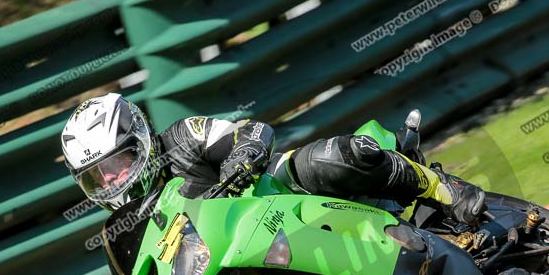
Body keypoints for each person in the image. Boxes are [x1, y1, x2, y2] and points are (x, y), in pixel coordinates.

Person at [60, 93, 486, 224]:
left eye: (116, 163)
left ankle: (442, 187)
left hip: (273, 199)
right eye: (98, 178)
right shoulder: (128, 227)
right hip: (232, 257)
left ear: (141, 139)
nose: (114, 180)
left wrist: (242, 158)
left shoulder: (180, 138)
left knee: (327, 159)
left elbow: (252, 130)